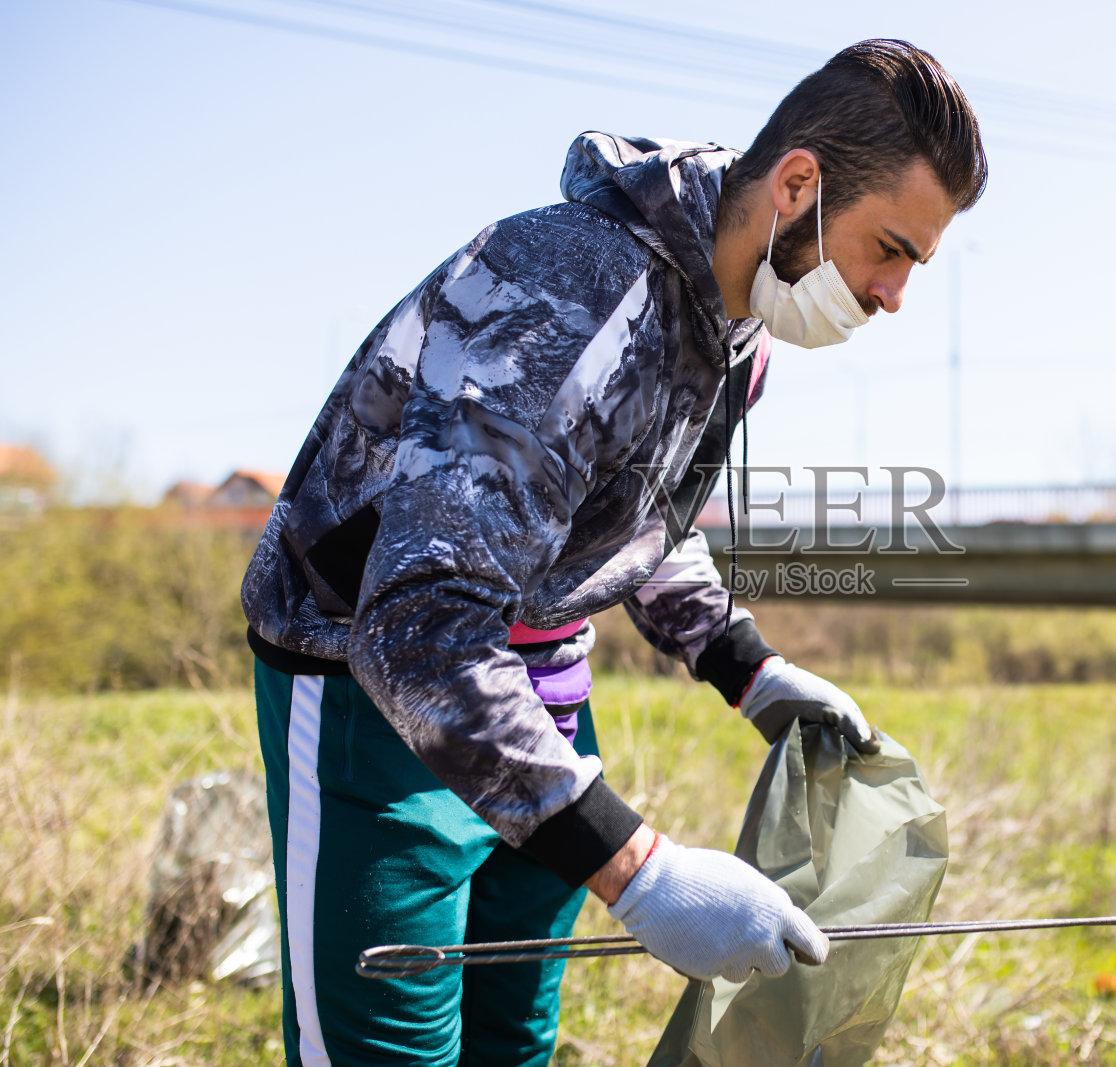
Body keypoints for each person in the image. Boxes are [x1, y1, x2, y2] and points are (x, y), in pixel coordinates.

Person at [241, 38, 987, 1067]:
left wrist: (743, 663)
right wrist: (636, 868)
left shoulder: (741, 330)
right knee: (391, 1050)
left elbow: (627, 515)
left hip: (544, 691)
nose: (893, 293)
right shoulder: (566, 295)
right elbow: (419, 620)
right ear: (798, 187)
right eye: (890, 248)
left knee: (512, 1039)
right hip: (380, 709)